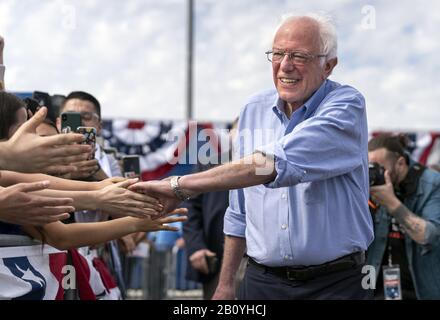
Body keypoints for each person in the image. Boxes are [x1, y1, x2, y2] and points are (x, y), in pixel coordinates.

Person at [129, 12, 374, 300]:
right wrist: (226, 283)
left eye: (299, 56)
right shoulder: (253, 109)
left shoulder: (346, 105)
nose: (285, 65)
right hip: (261, 283)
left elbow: (271, 164)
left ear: (329, 66)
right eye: (278, 53)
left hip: (334, 286)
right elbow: (239, 209)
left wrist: (179, 186)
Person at [367, 134, 440, 299]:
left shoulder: (432, 184)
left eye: (379, 168)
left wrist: (391, 203)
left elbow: (430, 236)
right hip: (375, 283)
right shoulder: (369, 186)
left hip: (419, 287)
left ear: (400, 163)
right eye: (370, 167)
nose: (374, 173)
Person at [182, 119, 238, 300]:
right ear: (230, 134)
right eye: (240, 129)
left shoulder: (272, 167)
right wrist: (196, 247)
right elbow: (190, 208)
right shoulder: (209, 165)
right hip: (217, 258)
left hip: (264, 264)